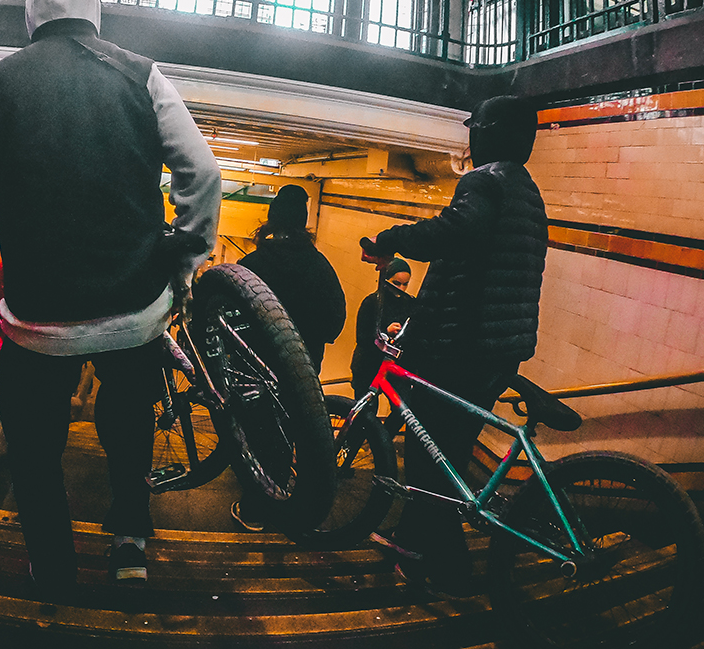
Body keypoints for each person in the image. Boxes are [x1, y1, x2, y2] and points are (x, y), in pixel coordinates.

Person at [0, 0, 221, 593]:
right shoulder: (139, 72)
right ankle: (128, 543)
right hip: (135, 309)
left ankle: (53, 566)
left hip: (36, 322)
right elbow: (202, 174)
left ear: (31, 20)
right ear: (92, 12)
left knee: (34, 449)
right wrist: (184, 261)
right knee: (128, 427)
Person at [359, 94, 547, 597]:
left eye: (476, 128)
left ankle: (448, 571)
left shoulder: (485, 181)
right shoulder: (527, 191)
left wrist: (396, 237)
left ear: (488, 132)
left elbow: (459, 230)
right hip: (497, 347)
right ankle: (417, 547)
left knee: (429, 460)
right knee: (447, 457)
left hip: (460, 348)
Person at [232, 183, 345, 530]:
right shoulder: (320, 266)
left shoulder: (250, 265)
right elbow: (334, 323)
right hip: (303, 371)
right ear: (304, 222)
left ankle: (256, 508)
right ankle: (295, 499)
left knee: (255, 432)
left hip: (253, 368)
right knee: (293, 432)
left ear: (270, 221)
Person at [350, 257, 416, 398]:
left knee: (403, 406)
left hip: (394, 365)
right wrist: (386, 332)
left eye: (405, 284)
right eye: (396, 283)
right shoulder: (372, 302)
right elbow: (362, 337)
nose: (401, 289)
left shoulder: (409, 303)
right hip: (369, 365)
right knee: (366, 412)